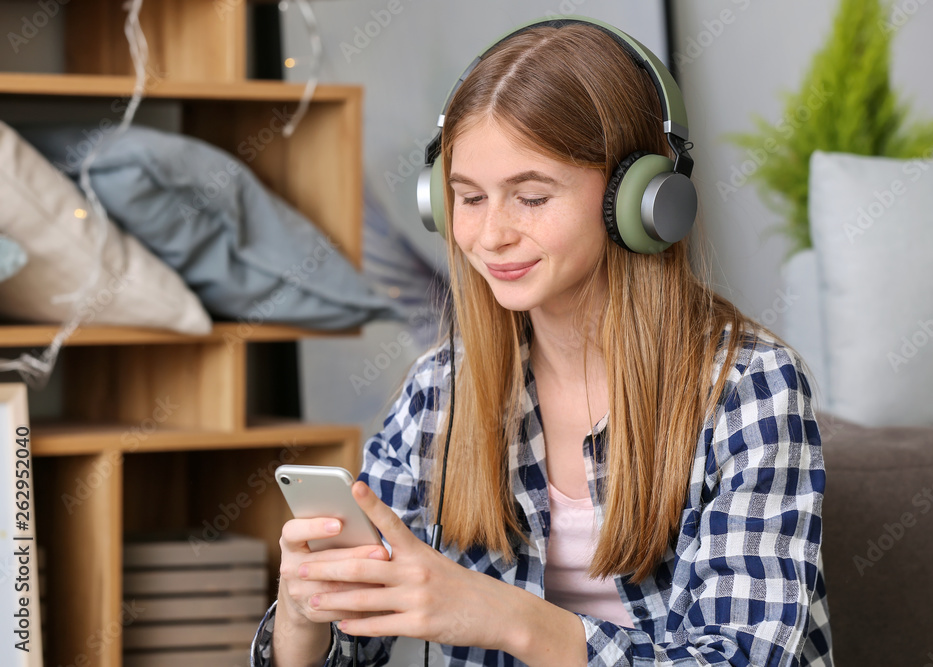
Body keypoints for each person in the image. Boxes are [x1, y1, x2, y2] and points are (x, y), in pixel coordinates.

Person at [250, 17, 834, 667]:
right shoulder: (441, 391)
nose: (490, 234)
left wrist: (509, 618)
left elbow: (745, 659)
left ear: (639, 199)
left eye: (530, 197)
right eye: (467, 197)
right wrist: (304, 618)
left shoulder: (749, 388)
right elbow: (351, 645)